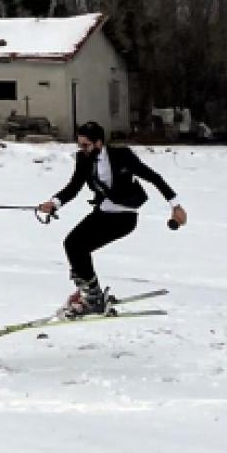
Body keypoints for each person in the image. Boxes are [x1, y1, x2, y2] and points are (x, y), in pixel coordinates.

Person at [37, 121, 188, 318]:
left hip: (125, 216)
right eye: (80, 145)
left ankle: (92, 297)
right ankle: (90, 293)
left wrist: (175, 206)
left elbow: (153, 177)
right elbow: (74, 186)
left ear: (99, 143)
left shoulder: (121, 156)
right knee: (73, 245)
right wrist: (54, 203)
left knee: (76, 246)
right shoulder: (83, 160)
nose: (82, 149)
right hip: (105, 211)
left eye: (85, 145)